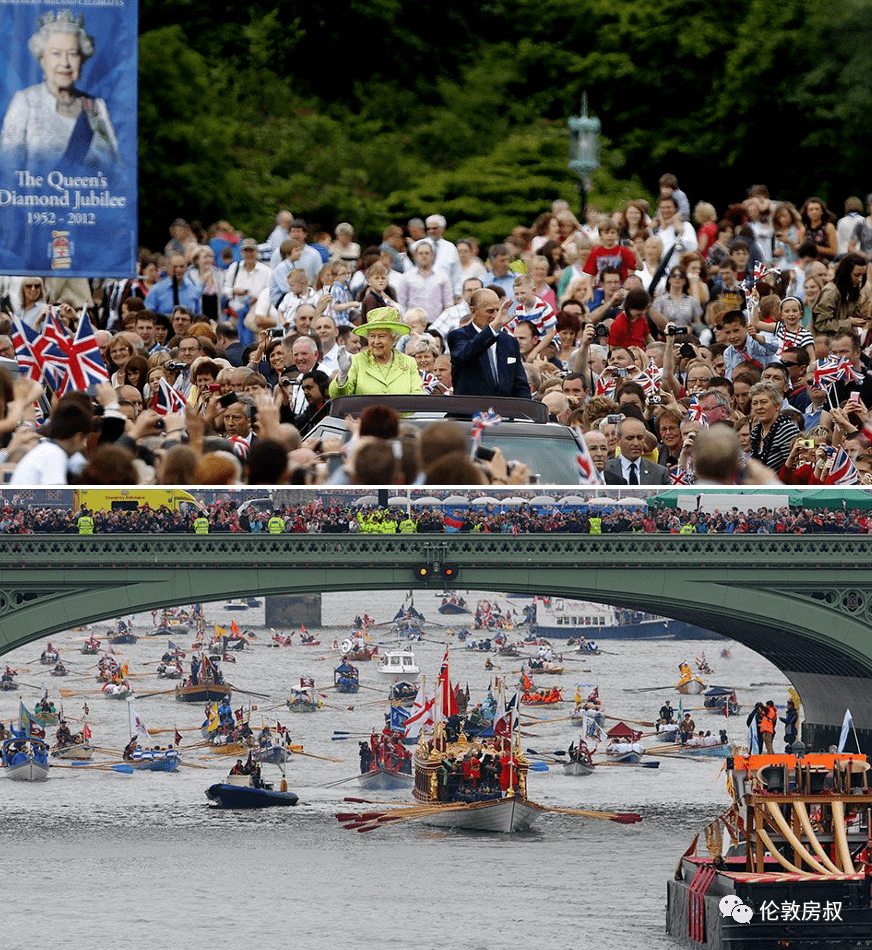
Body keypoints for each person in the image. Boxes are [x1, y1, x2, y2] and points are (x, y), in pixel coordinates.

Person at [0, 9, 119, 168]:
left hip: (88, 193)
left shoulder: (97, 107)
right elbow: (8, 169)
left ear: (82, 59)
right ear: (42, 60)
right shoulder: (25, 102)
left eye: (73, 54)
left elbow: (116, 170)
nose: (65, 63)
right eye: (56, 53)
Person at [448, 288, 532, 398]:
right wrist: (492, 329)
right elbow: (465, 353)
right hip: (470, 412)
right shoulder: (458, 336)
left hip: (504, 411)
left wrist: (522, 412)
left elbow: (520, 385)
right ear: (473, 311)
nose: (496, 316)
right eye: (490, 311)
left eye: (498, 310)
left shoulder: (510, 342)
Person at [329, 307, 423, 397]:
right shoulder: (358, 361)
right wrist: (342, 375)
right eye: (372, 336)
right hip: (367, 414)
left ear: (393, 339)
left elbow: (417, 395)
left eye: (382, 336)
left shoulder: (408, 362)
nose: (376, 341)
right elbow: (336, 395)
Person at [602, 414, 669, 484]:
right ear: (618, 441)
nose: (636, 443)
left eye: (640, 438)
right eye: (630, 438)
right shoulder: (605, 470)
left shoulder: (659, 473)